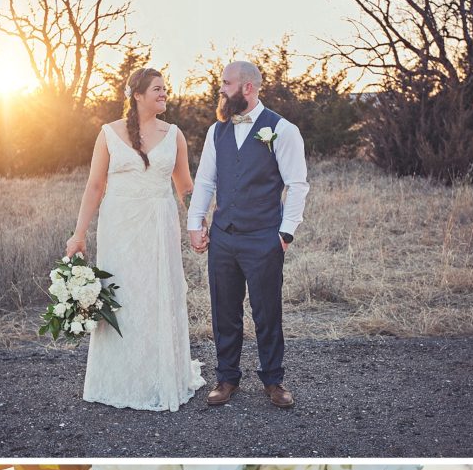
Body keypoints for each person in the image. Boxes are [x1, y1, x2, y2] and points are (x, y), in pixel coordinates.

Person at [66, 67, 205, 412]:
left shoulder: (174, 135)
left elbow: (185, 187)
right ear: (137, 95)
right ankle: (120, 380)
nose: (164, 94)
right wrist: (79, 233)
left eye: (165, 89)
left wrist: (198, 222)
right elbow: (95, 186)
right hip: (120, 227)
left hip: (159, 225)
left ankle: (161, 377)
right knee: (123, 297)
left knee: (158, 295)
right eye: (157, 89)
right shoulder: (108, 134)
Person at [188, 61, 309, 409]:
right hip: (223, 236)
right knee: (224, 310)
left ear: (249, 87)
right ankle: (227, 378)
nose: (221, 89)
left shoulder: (282, 130)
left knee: (266, 311)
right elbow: (206, 181)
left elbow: (297, 185)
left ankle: (273, 380)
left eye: (227, 83)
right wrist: (195, 223)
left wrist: (285, 233)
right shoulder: (217, 130)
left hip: (263, 237)